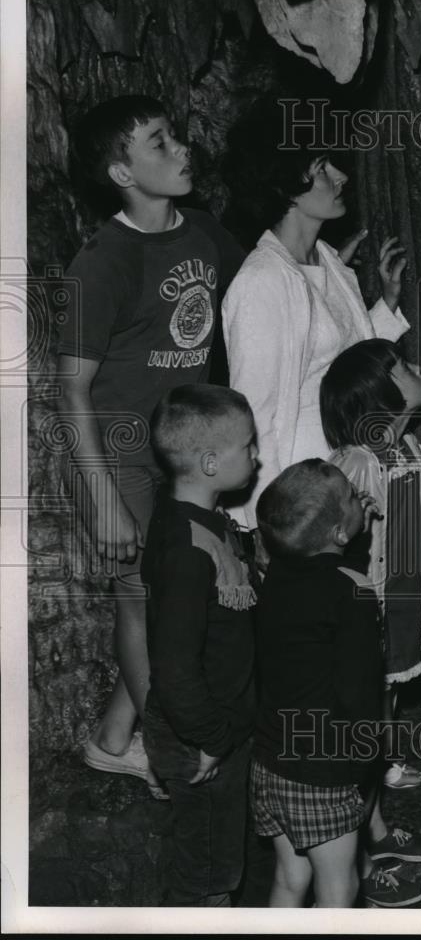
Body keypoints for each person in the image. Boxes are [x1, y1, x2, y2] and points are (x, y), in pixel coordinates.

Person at [55, 95, 246, 797]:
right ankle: (174, 750)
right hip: (110, 451)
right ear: (120, 171)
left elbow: (256, 282)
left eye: (175, 137)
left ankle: (111, 741)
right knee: (143, 600)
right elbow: (68, 392)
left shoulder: (201, 232)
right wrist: (103, 500)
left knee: (170, 600)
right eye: (160, 144)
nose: (181, 151)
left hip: (172, 448)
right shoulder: (100, 264)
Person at [221, 98, 409, 536]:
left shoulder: (328, 259)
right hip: (302, 494)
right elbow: (254, 417)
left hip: (352, 476)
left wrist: (387, 304)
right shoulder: (261, 282)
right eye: (323, 167)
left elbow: (340, 364)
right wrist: (266, 528)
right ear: (285, 185)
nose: (340, 176)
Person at [253, 459, 421, 908]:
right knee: (340, 885)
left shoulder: (275, 574)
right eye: (353, 496)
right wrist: (364, 761)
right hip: (323, 768)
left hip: (272, 758)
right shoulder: (355, 591)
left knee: (291, 878)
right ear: (337, 533)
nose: (360, 498)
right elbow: (357, 688)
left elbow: (322, 583)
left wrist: (350, 534)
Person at [321, 340, 421, 824]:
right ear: (379, 393)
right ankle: (365, 821)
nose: (419, 368)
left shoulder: (408, 446)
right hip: (371, 600)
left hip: (405, 593)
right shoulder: (357, 463)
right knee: (366, 697)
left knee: (387, 690)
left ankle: (383, 759)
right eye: (405, 367)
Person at [141, 384, 259, 905]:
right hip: (201, 737)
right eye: (249, 446)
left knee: (214, 851)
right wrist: (209, 738)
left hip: (218, 726)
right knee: (206, 875)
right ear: (211, 462)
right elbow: (173, 667)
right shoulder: (188, 551)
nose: (258, 456)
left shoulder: (204, 519)